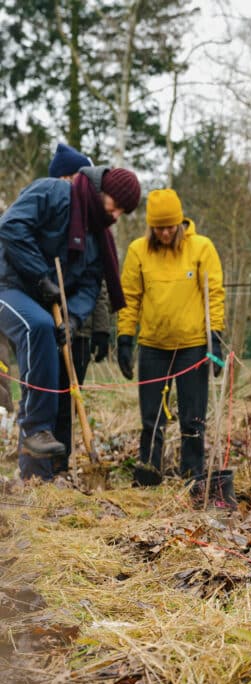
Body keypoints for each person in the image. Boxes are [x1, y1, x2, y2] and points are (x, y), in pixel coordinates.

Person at [0, 164, 140, 480]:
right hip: (7, 284)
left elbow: (90, 284)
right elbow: (11, 227)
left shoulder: (98, 236)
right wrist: (40, 277)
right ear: (102, 191)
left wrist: (74, 318)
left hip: (39, 300)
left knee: (47, 348)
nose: (116, 215)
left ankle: (37, 478)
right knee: (38, 326)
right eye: (116, 205)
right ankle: (37, 427)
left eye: (124, 211)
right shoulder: (53, 193)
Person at [117, 188, 225, 485]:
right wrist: (125, 337)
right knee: (151, 417)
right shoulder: (138, 250)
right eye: (158, 228)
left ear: (179, 223)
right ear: (151, 227)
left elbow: (214, 294)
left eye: (169, 227)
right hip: (153, 346)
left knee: (193, 417)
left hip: (193, 346)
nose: (165, 233)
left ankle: (192, 475)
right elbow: (129, 297)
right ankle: (149, 473)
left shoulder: (201, 247)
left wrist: (215, 337)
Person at [46, 144, 113, 474]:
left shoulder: (92, 221)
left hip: (80, 328)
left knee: (72, 400)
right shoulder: (50, 213)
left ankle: (63, 462)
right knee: (48, 397)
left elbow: (97, 283)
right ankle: (43, 466)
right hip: (50, 324)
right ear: (66, 178)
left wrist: (100, 328)